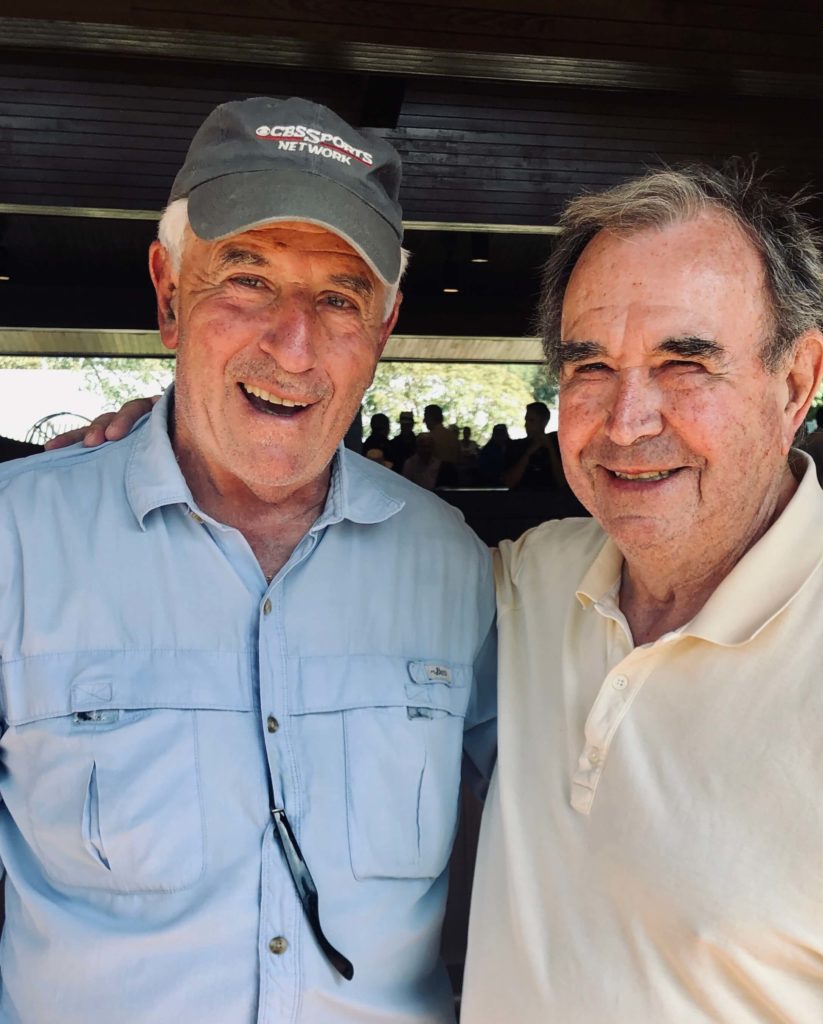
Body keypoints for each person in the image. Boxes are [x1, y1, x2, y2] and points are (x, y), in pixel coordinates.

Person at [0, 95, 496, 1024]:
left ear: (384, 330)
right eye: (247, 280)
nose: (293, 344)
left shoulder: (456, 568)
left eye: (339, 297)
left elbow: (549, 848)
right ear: (167, 293)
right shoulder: (15, 545)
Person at [460, 166, 823, 1021]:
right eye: (589, 365)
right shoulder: (530, 583)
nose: (627, 421)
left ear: (793, 383)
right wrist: (171, 439)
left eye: (683, 362)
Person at [502, 400, 565, 489]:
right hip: (520, 499)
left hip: (551, 499)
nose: (526, 425)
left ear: (544, 422)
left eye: (531, 421)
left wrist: (551, 449)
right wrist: (528, 453)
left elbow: (563, 482)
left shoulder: (557, 445)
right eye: (526, 420)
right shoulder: (516, 446)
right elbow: (509, 482)